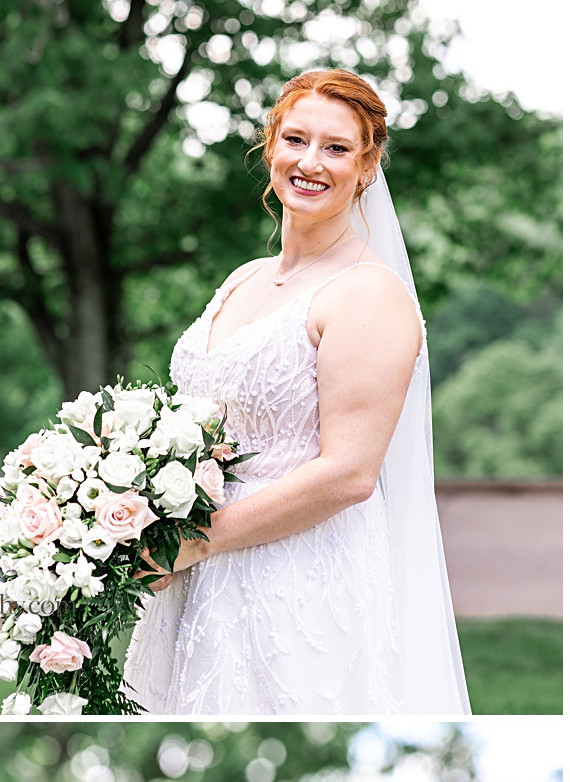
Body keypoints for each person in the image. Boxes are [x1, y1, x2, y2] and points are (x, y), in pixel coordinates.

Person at [123, 67, 470, 716]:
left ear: (368, 166)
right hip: (195, 577)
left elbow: (348, 473)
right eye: (296, 139)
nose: (311, 162)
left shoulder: (370, 295)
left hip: (296, 577)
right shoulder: (244, 278)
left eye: (337, 148)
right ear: (270, 145)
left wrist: (193, 540)